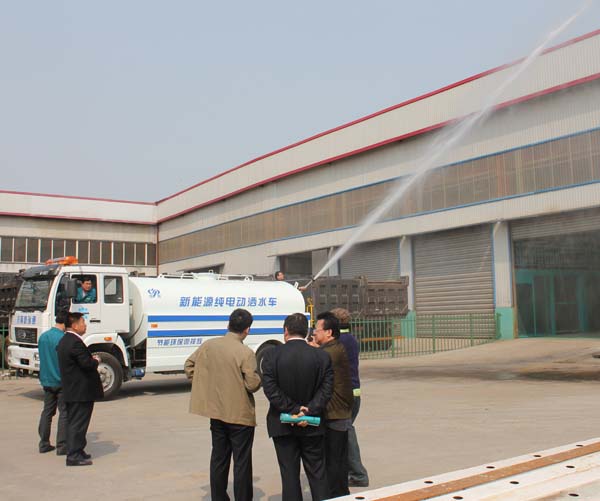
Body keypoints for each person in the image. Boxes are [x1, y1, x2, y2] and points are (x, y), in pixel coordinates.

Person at [184, 309, 261, 501]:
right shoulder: (245, 353)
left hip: (216, 412)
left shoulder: (209, 345)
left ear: (229, 324)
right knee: (242, 462)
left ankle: (218, 497)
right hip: (240, 415)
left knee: (219, 457)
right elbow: (252, 384)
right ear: (247, 329)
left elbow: (189, 365)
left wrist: (204, 381)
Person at [262, 313, 334, 501]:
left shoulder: (271, 355)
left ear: (286, 331)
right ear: (307, 332)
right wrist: (308, 410)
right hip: (313, 423)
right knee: (317, 473)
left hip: (283, 424)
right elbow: (327, 389)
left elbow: (270, 389)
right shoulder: (322, 356)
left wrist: (293, 410)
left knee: (289, 475)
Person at [312, 311, 354, 498]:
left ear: (328, 332)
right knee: (336, 458)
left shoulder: (332, 351)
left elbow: (318, 360)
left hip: (336, 412)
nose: (314, 332)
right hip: (335, 411)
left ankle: (338, 494)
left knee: (335, 460)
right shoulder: (331, 348)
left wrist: (309, 349)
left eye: (317, 329)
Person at [56, 312, 104, 466]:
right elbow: (86, 364)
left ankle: (78, 450)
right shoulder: (75, 342)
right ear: (75, 325)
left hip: (73, 389)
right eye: (83, 322)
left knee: (76, 422)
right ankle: (73, 455)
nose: (85, 325)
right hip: (80, 391)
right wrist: (95, 361)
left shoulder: (65, 340)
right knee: (78, 424)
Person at [331, 307, 369, 487]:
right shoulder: (351, 339)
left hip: (344, 395)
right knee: (344, 431)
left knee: (346, 431)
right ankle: (347, 470)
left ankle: (358, 474)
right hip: (355, 393)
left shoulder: (338, 342)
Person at [37, 311, 69, 455]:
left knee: (47, 412)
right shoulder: (63, 339)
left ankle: (43, 443)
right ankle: (62, 445)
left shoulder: (43, 337)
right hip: (61, 381)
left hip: (47, 380)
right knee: (64, 413)